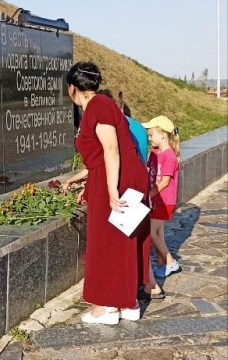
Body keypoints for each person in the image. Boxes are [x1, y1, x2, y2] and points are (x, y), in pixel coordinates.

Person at [63, 61, 150, 325]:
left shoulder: (98, 106)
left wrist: (112, 188)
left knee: (105, 242)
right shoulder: (103, 104)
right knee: (124, 240)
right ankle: (128, 302)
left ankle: (106, 306)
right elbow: (103, 154)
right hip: (119, 174)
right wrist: (85, 177)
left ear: (72, 88)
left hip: (117, 178)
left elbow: (111, 149)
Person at [142, 115, 181, 278]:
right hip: (156, 200)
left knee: (150, 231)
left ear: (163, 134)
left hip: (164, 201)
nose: (149, 138)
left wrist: (149, 194)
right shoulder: (155, 153)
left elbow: (164, 182)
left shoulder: (169, 156)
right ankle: (161, 265)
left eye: (152, 134)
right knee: (158, 233)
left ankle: (170, 261)